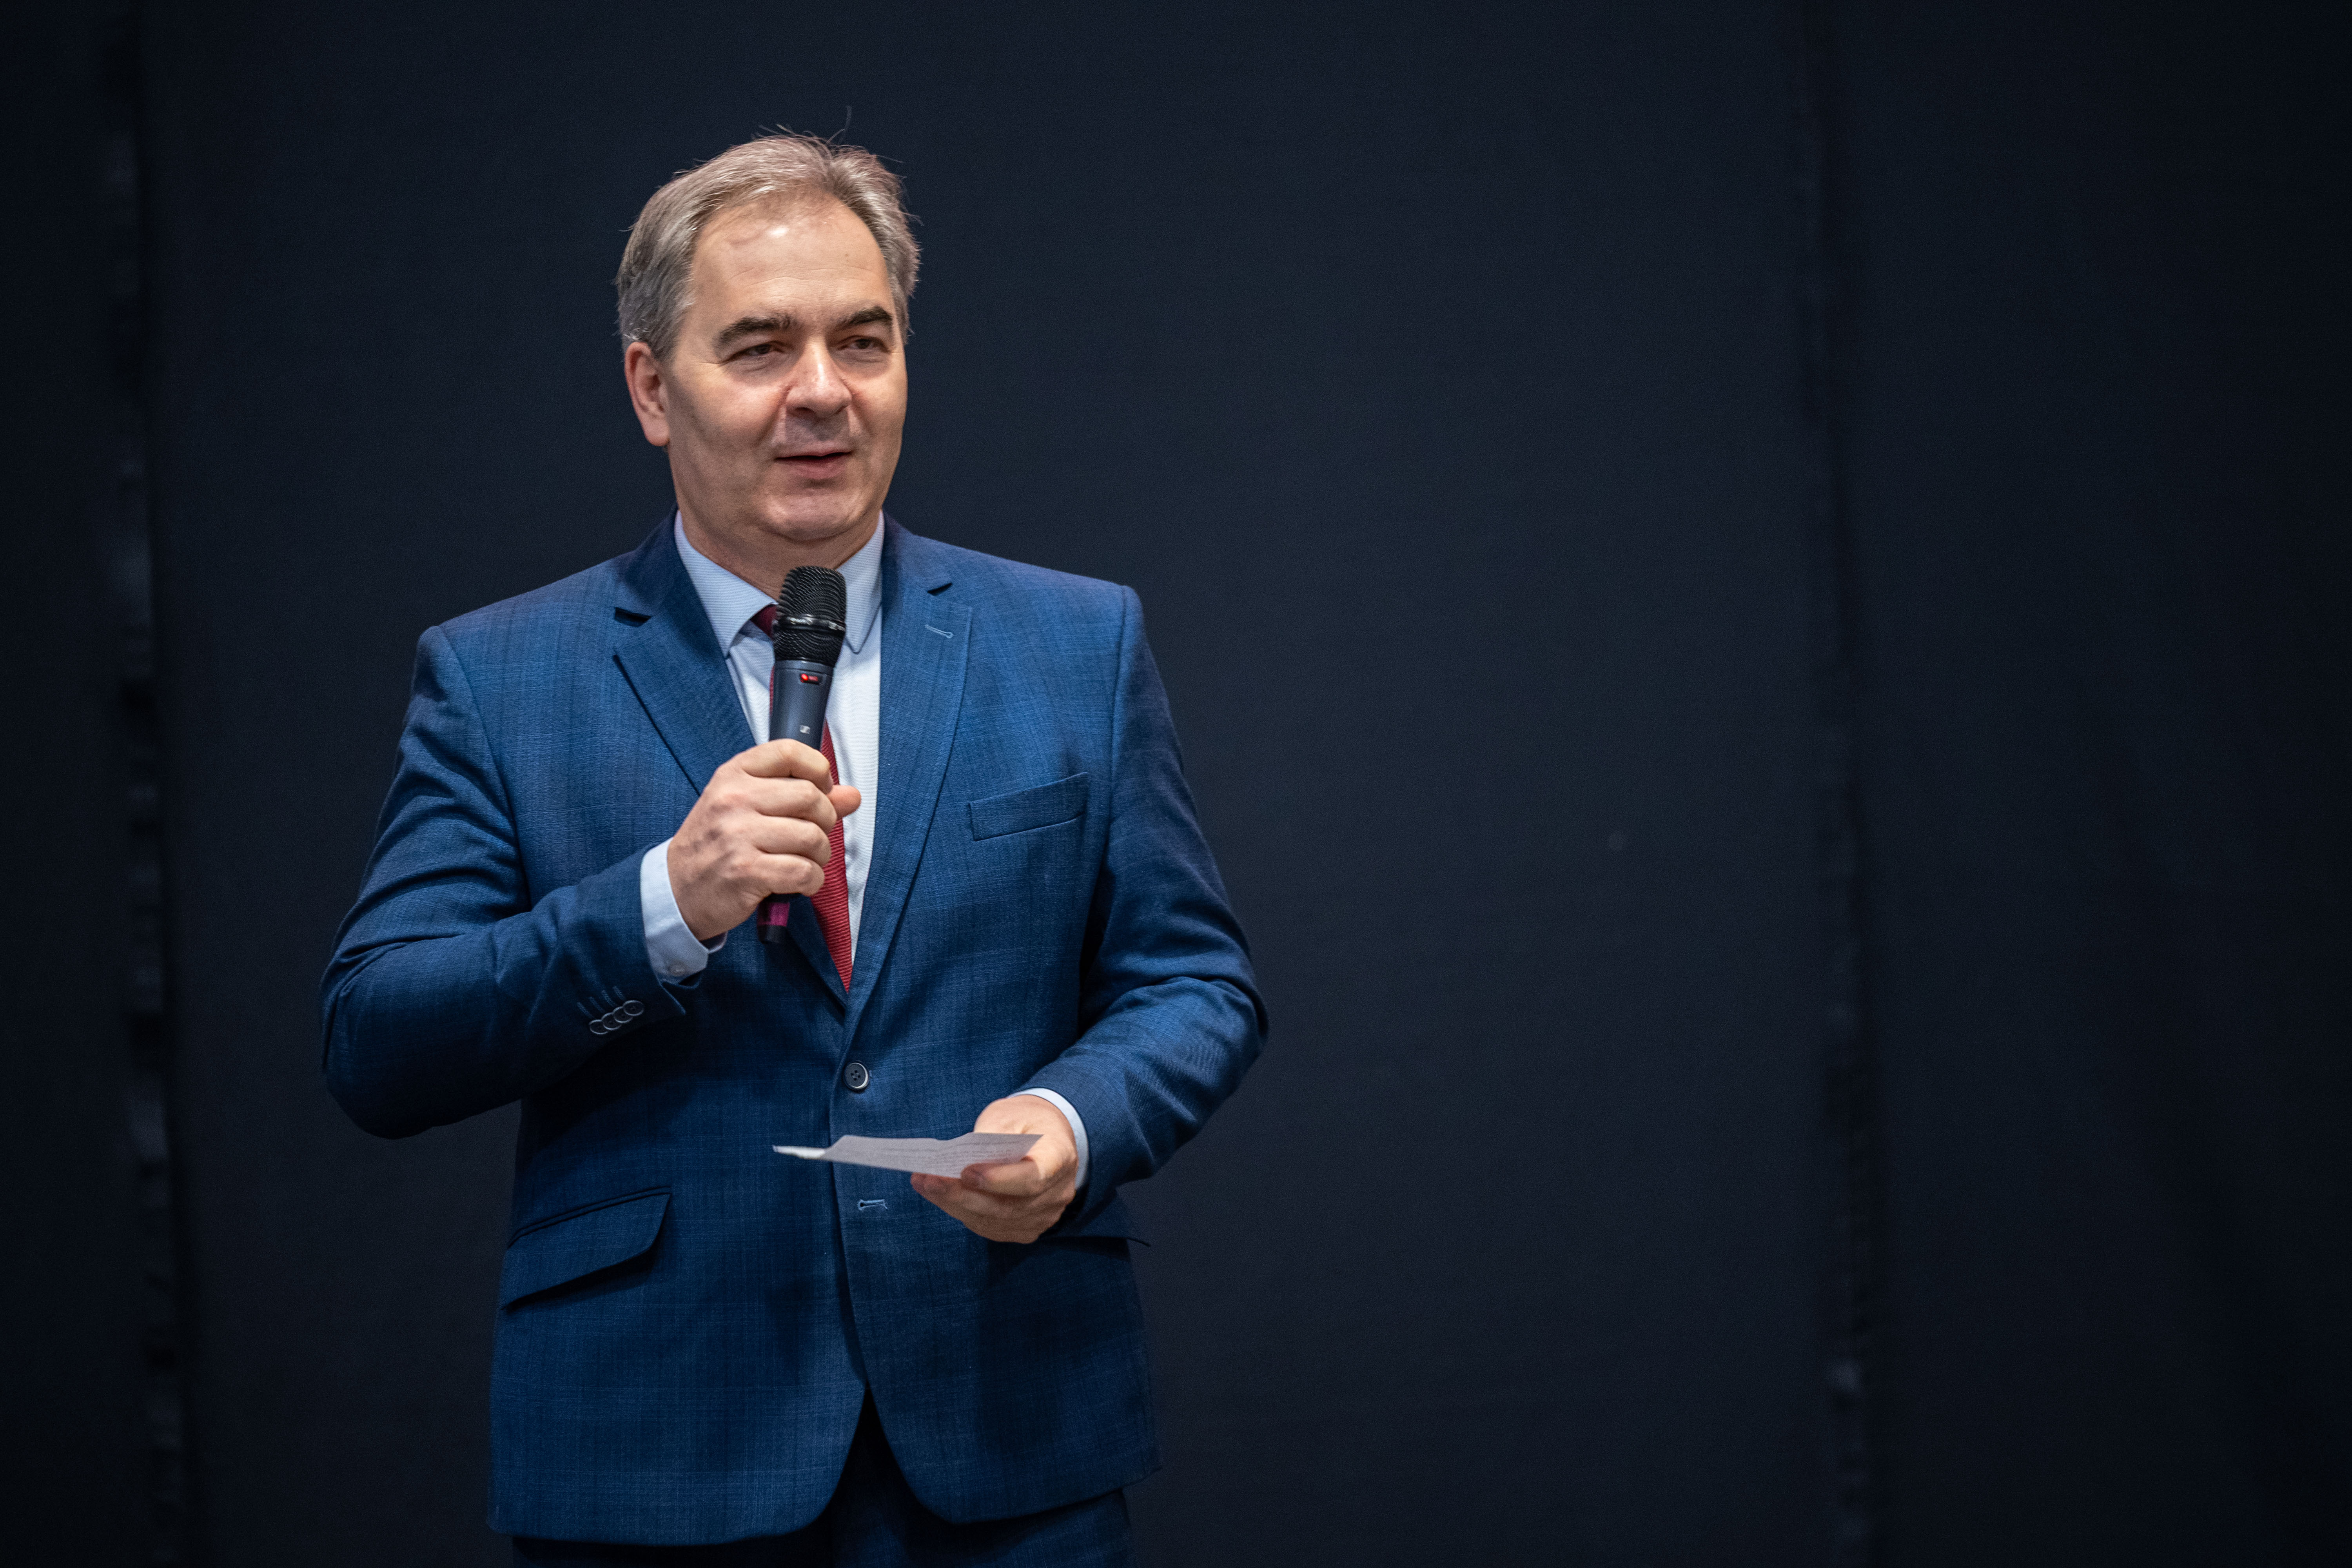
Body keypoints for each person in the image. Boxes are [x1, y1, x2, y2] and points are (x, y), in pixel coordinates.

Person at [320, 133, 1263, 1566]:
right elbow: (379, 1040)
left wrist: (1070, 1125)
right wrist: (663, 905)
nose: (822, 391)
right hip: (659, 1455)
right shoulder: (501, 678)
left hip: (1008, 1440)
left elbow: (1195, 983)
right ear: (653, 388)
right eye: (761, 347)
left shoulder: (1076, 642)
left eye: (862, 341)